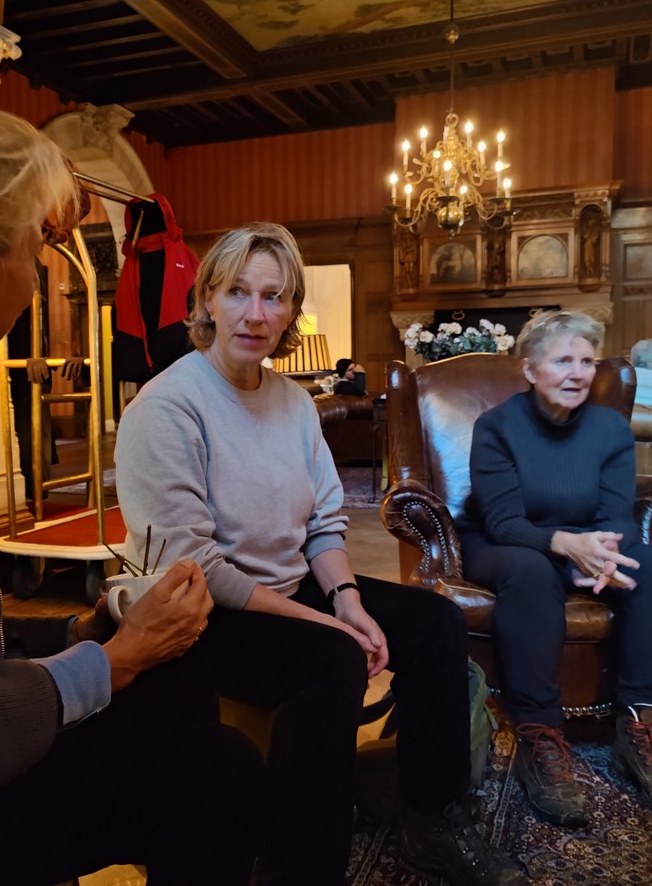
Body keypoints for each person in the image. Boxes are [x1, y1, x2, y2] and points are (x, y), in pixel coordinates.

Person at [0, 101, 265, 886]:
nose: (40, 273)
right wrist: (114, 661)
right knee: (205, 753)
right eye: (38, 244)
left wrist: (83, 631)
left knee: (196, 731)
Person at [115, 222, 526, 886]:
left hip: (287, 588)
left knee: (436, 624)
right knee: (333, 660)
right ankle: (303, 868)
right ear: (207, 300)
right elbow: (199, 567)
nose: (255, 313)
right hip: (200, 616)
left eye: (274, 297)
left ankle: (432, 818)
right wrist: (327, 624)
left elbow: (323, 524)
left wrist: (347, 601)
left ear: (291, 312)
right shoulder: (165, 407)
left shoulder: (294, 403)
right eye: (238, 292)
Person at [456, 310, 652, 828]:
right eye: (563, 360)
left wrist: (604, 555)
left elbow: (617, 515)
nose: (578, 373)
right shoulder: (496, 426)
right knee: (532, 572)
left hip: (588, 541)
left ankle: (639, 726)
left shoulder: (610, 428)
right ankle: (539, 734)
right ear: (529, 369)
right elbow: (503, 522)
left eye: (586, 361)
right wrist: (567, 547)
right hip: (507, 544)